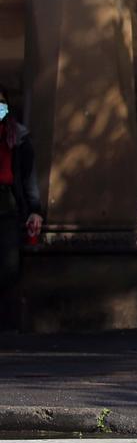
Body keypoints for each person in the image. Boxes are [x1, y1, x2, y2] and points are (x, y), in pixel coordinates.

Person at [0, 85, 42, 330]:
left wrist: (35, 209)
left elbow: (28, 178)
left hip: (8, 207)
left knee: (8, 267)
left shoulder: (18, 137)